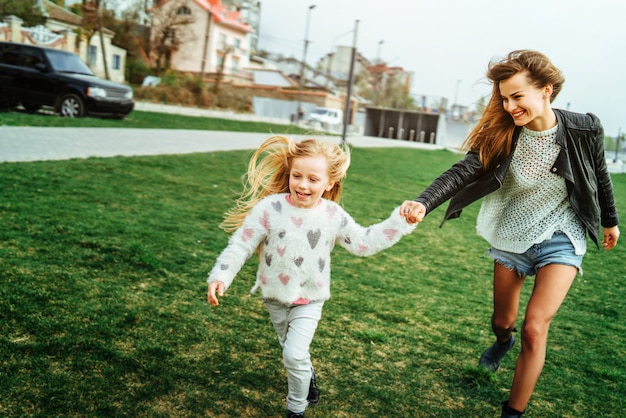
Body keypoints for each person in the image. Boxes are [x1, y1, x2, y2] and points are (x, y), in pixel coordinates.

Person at [400, 50, 620, 417]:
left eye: (517, 96)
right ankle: (503, 340)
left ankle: (511, 412)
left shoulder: (585, 127)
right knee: (504, 320)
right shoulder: (502, 134)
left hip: (562, 234)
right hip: (512, 231)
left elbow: (599, 175)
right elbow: (461, 172)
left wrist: (609, 221)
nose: (510, 105)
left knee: (536, 328)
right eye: (504, 98)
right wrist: (424, 202)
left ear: (546, 90)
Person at [207, 135, 416, 418]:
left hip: (310, 299)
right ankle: (308, 376)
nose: (303, 185)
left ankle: (296, 409)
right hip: (274, 297)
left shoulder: (332, 215)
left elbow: (364, 242)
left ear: (330, 183)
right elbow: (242, 243)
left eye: (313, 179)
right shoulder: (269, 209)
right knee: (291, 350)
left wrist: (401, 221)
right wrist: (221, 275)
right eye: (297, 176)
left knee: (292, 354)